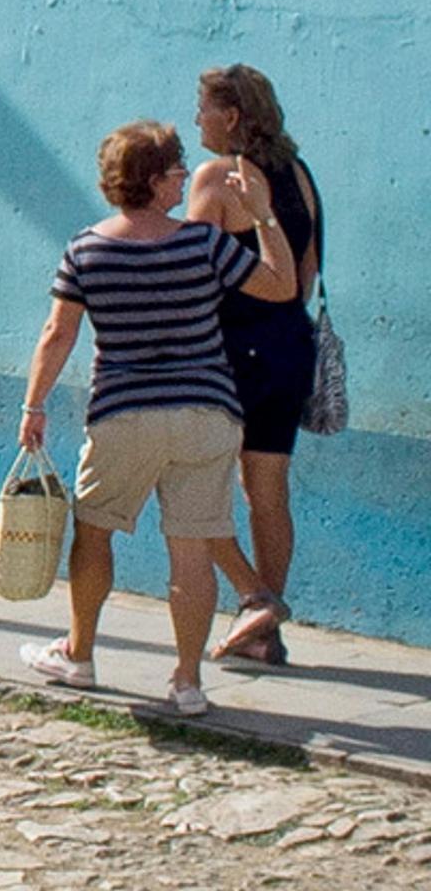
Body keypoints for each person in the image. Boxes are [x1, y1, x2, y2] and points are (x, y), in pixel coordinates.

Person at [17, 119, 295, 714]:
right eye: (174, 169)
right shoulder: (202, 243)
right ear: (151, 179)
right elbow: (280, 286)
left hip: (124, 414)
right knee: (191, 551)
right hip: (206, 414)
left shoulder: (85, 248)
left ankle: (80, 653)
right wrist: (263, 217)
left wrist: (34, 404)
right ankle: (187, 682)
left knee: (95, 531)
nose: (182, 178)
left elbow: (57, 333)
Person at [190, 64, 326, 666]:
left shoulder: (219, 177)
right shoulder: (299, 175)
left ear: (233, 116)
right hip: (290, 343)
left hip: (231, 346)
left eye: (204, 108)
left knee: (188, 480)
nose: (197, 119)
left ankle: (252, 599)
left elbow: (189, 273)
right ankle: (266, 628)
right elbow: (308, 270)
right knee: (268, 491)